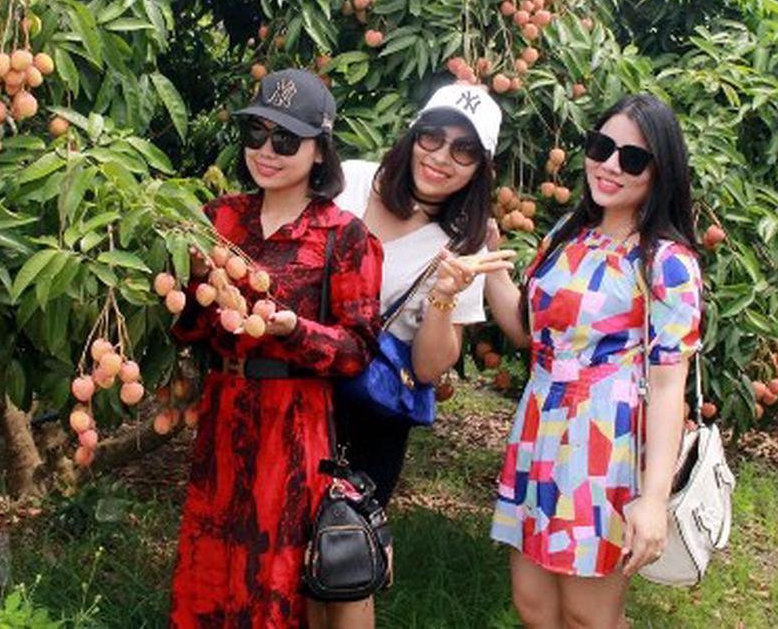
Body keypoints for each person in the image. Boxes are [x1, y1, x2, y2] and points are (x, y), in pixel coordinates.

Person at [168, 69, 384, 629]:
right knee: (212, 561)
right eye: (257, 134)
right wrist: (192, 285)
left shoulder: (342, 234)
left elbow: (358, 349)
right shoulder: (219, 219)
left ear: (320, 151)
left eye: (286, 140)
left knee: (275, 571)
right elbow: (187, 329)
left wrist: (295, 331)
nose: (266, 151)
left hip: (293, 423)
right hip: (224, 409)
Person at [484, 93, 704, 629]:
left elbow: (669, 385)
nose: (610, 165)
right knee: (534, 606)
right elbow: (529, 332)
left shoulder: (667, 262)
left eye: (633, 158)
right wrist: (490, 261)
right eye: (602, 147)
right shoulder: (566, 234)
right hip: (539, 430)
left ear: (661, 171)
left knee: (588, 616)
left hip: (606, 445)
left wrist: (652, 499)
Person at [320, 83, 516, 628]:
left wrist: (445, 295)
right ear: (413, 135)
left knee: (344, 560)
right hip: (297, 386)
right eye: (433, 137)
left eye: (464, 150)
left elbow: (430, 368)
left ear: (480, 168)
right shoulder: (351, 180)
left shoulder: (461, 245)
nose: (442, 157)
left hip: (367, 414)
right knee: (286, 551)